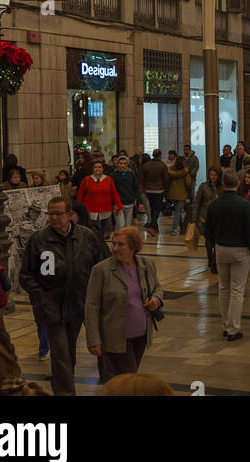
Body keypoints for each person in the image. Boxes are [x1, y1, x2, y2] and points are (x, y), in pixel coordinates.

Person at [19, 196, 106, 396]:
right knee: (60, 352)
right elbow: (26, 275)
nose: (54, 218)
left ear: (70, 215)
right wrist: (40, 295)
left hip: (78, 302)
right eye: (51, 214)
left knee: (69, 352)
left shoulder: (86, 237)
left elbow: (101, 265)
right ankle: (65, 393)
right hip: (51, 305)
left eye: (58, 214)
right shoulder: (39, 239)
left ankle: (64, 386)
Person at [84, 225, 164, 382]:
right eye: (113, 243)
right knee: (129, 379)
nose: (115, 248)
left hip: (141, 334)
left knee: (126, 380)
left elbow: (157, 288)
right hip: (116, 337)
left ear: (133, 247)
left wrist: (156, 300)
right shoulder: (101, 270)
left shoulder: (146, 265)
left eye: (121, 244)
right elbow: (91, 306)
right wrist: (93, 340)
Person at [203, 168, 250, 342]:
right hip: (241, 250)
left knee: (223, 288)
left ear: (223, 183)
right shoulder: (244, 204)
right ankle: (234, 328)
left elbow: (207, 230)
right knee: (237, 290)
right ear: (238, 184)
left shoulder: (214, 205)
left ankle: (226, 325)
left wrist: (213, 245)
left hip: (221, 248)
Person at [77, 158, 122, 239]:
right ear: (93, 169)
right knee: (93, 233)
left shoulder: (108, 179)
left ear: (103, 169)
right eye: (96, 167)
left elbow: (114, 193)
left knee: (106, 234)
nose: (97, 169)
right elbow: (80, 195)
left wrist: (118, 205)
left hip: (105, 210)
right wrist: (78, 208)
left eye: (99, 167)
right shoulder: (86, 180)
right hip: (91, 210)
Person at [192, 168, 222, 273]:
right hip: (205, 217)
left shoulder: (221, 187)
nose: (212, 177)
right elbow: (197, 202)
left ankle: (214, 261)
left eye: (215, 175)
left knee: (216, 240)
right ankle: (210, 258)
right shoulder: (203, 186)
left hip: (218, 218)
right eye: (211, 175)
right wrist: (194, 217)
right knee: (208, 240)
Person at [139, 149, 169, 237]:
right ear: (160, 155)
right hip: (159, 190)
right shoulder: (162, 165)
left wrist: (144, 186)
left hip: (148, 190)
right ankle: (152, 226)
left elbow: (141, 178)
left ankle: (155, 227)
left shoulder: (146, 165)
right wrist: (166, 189)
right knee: (157, 209)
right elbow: (166, 179)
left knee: (152, 208)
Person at [112, 155, 142, 228]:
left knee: (127, 226)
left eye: (125, 163)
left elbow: (136, 188)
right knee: (121, 224)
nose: (122, 165)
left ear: (127, 164)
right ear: (117, 164)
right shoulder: (113, 175)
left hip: (129, 203)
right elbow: (112, 191)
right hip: (118, 204)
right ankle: (117, 238)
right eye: (121, 163)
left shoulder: (131, 175)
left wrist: (140, 202)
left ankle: (121, 238)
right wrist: (113, 203)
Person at [166, 151, 192, 234]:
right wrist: (190, 192)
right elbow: (188, 184)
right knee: (178, 211)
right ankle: (174, 229)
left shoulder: (171, 170)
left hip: (172, 194)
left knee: (177, 211)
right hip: (182, 194)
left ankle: (180, 227)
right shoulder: (185, 172)